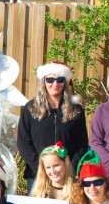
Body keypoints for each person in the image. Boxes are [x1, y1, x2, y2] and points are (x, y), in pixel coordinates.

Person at [17, 61, 89, 189]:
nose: (55, 84)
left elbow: (81, 144)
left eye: (60, 80)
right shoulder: (31, 108)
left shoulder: (76, 110)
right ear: (44, 81)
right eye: (50, 79)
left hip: (67, 178)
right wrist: (41, 167)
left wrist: (70, 168)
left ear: (65, 83)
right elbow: (23, 143)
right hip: (37, 176)